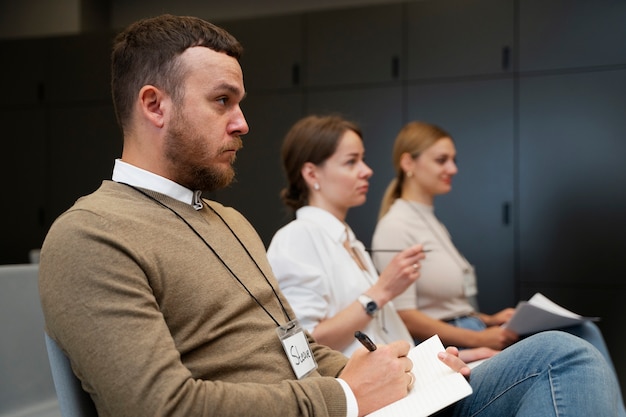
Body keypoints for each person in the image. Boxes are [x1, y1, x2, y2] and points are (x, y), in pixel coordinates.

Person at [37, 14, 622, 417]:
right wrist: (345, 397)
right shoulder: (91, 235)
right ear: (153, 105)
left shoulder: (230, 223)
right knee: (558, 360)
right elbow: (157, 407)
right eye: (223, 101)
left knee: (565, 352)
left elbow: (295, 345)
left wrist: (408, 369)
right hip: (332, 411)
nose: (243, 123)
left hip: (343, 405)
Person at [371, 120, 625, 409]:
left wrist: (489, 320)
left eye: (454, 160)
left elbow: (446, 302)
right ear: (408, 163)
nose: (453, 169)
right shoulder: (396, 226)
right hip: (452, 345)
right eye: (442, 160)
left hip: (472, 326)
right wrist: (481, 335)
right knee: (569, 347)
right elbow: (406, 316)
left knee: (585, 332)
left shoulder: (430, 221)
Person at [266, 115, 495, 364]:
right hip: (371, 394)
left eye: (362, 160)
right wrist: (381, 292)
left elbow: (383, 339)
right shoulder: (297, 237)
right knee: (541, 354)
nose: (367, 171)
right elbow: (303, 348)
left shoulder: (349, 242)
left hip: (408, 377)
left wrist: (442, 358)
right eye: (352, 162)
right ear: (312, 174)